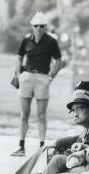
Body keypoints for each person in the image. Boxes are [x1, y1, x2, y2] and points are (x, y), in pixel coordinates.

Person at [11, 11, 62, 156]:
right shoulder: (26, 40)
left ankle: (41, 147)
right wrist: (18, 74)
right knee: (24, 114)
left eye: (42, 26)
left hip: (42, 78)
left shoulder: (51, 42)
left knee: (41, 114)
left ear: (45, 27)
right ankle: (21, 146)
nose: (39, 28)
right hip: (27, 76)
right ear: (32, 26)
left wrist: (51, 77)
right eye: (36, 25)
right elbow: (19, 57)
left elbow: (59, 61)